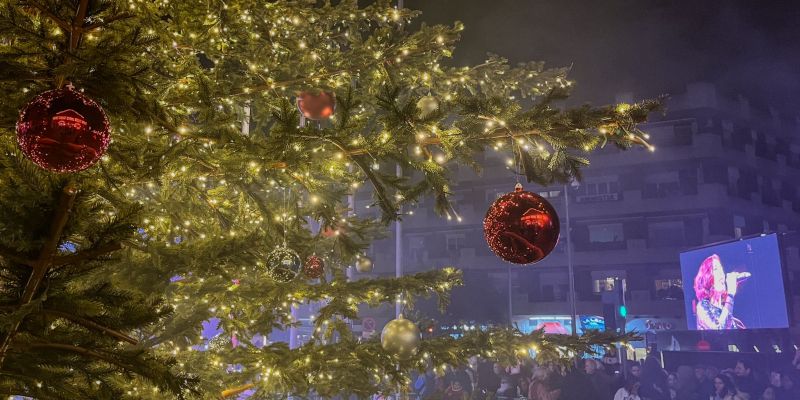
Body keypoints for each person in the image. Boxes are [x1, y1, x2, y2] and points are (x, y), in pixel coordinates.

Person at [693, 254, 745, 330]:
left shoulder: (728, 313)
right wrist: (730, 295)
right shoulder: (702, 307)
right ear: (707, 277)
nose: (721, 273)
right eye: (716, 269)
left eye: (721, 269)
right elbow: (719, 330)